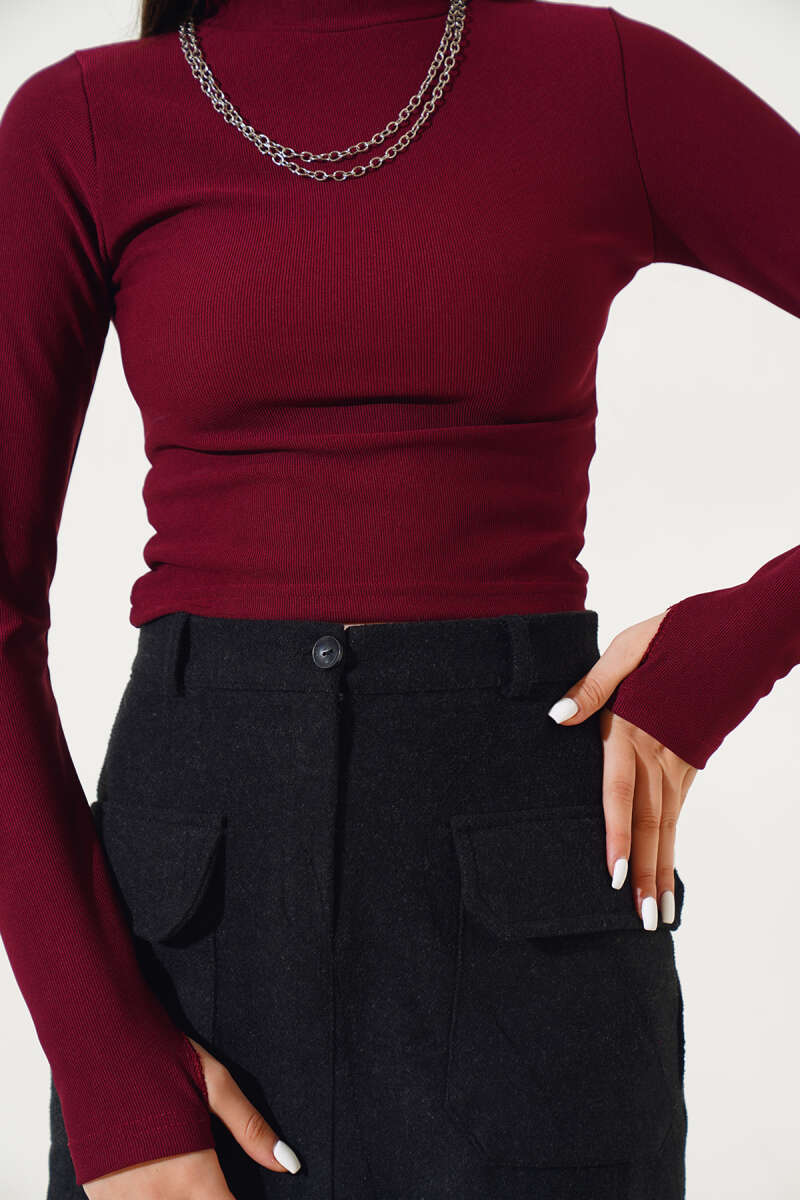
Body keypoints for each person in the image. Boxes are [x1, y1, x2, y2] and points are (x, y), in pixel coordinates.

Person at [0, 0, 797, 1196]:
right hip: (193, 948)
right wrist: (110, 1077)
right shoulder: (84, 124)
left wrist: (736, 645)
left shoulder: (600, 81)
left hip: (527, 899)